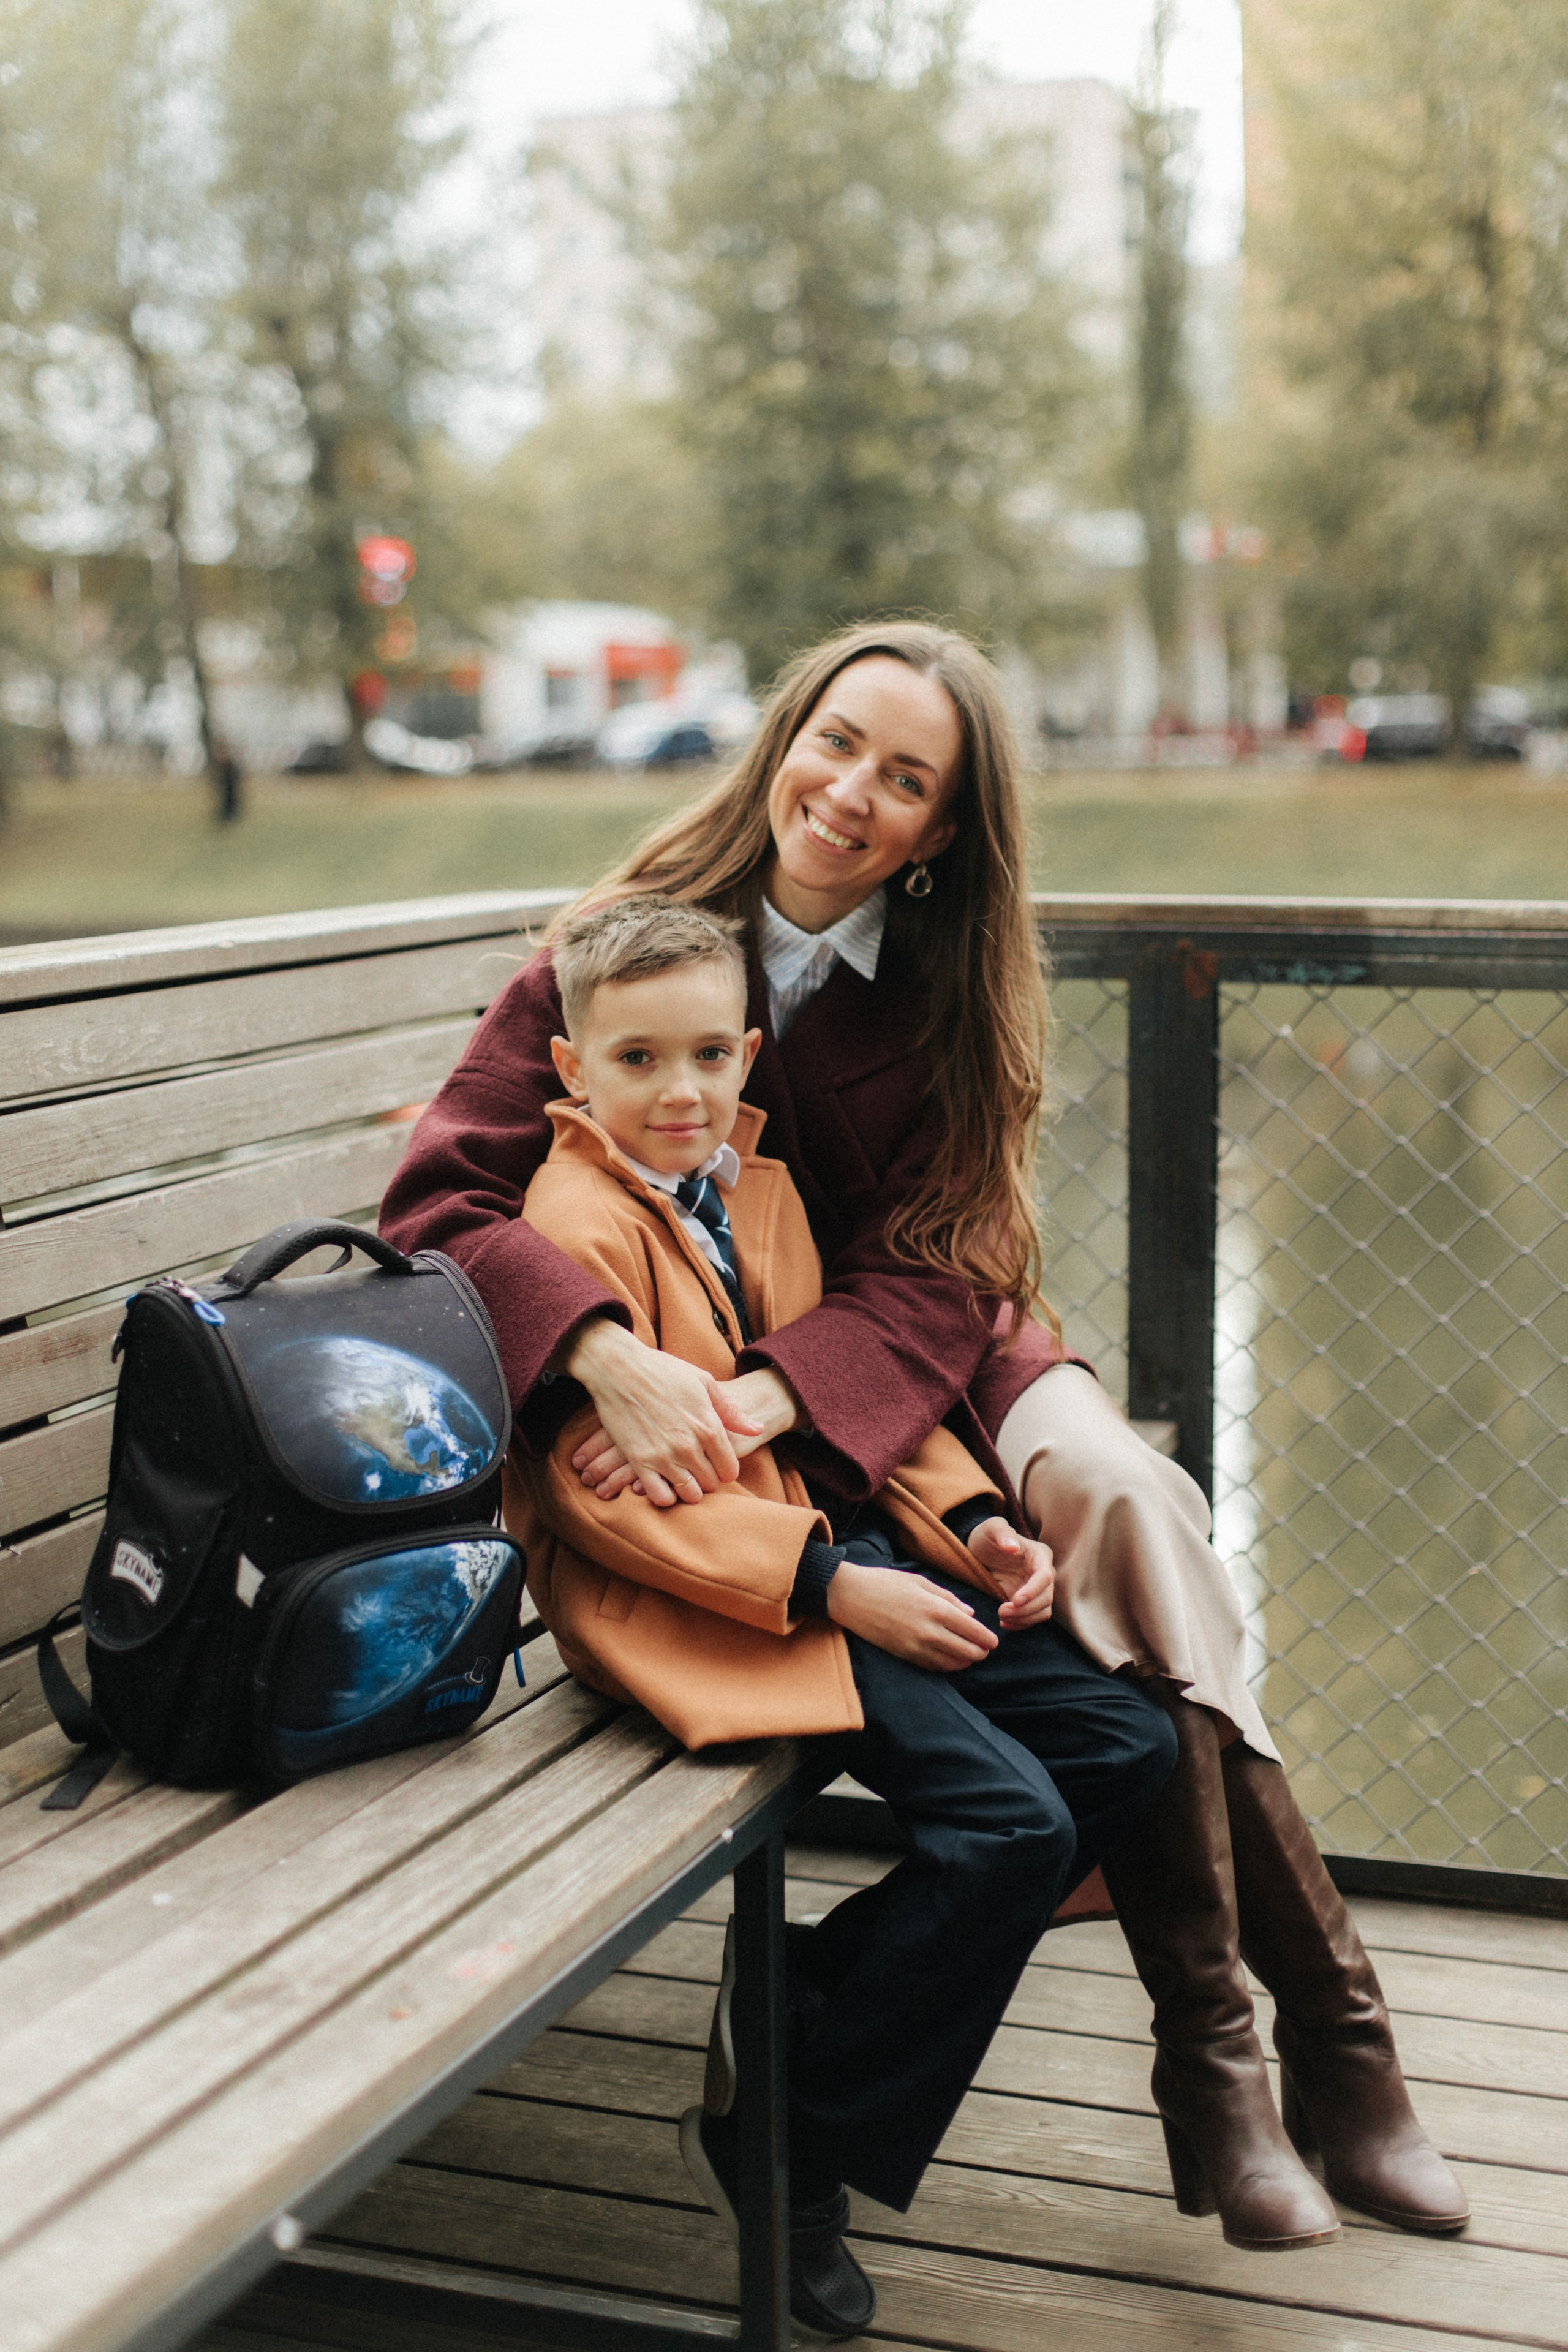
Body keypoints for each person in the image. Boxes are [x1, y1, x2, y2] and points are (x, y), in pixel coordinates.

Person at [380, 619, 1468, 2255]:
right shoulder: (622, 956)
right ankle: (1249, 2060)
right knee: (1064, 1736)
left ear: (945, 826)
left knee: (1122, 1503)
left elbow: (948, 1266)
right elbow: (448, 1192)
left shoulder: (949, 986)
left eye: (905, 779)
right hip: (736, 1426)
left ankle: (1298, 2051)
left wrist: (803, 1414)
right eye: (836, 744)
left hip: (915, 1349)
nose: (851, 794)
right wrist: (607, 1360)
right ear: (781, 740)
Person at [503, 893, 1178, 2338]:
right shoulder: (571, 1230)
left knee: (1123, 1746)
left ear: (749, 1055)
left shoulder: (763, 1192)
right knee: (1009, 1826)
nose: (677, 1093)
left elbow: (870, 1411)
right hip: (718, 1600)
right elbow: (592, 1498)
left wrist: (979, 1525)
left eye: (704, 1056)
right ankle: (791, 2149)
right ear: (572, 1072)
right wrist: (836, 1588)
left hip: (851, 1550)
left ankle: (794, 1998)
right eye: (634, 1061)